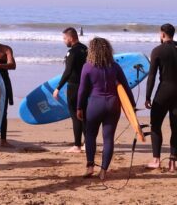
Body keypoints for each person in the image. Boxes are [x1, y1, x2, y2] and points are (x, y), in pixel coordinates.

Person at [77, 37, 135, 180]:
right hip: (113, 105)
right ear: (108, 50)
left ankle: (90, 167)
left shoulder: (88, 67)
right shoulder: (115, 67)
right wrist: (132, 105)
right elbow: (126, 87)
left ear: (92, 51)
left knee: (90, 135)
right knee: (108, 138)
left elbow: (82, 90)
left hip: (95, 105)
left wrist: (79, 107)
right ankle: (103, 171)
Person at [145, 23, 177, 172]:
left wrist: (147, 97)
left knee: (155, 125)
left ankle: (156, 160)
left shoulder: (157, 50)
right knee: (176, 127)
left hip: (164, 91)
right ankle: (173, 162)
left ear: (163, 34)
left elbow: (152, 76)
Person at [53, 27, 88, 153]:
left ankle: (77, 145)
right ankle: (87, 144)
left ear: (71, 38)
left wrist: (58, 87)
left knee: (75, 116)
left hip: (74, 87)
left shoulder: (72, 52)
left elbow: (67, 72)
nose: (64, 41)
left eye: (64, 38)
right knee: (84, 115)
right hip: (86, 86)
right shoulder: (86, 49)